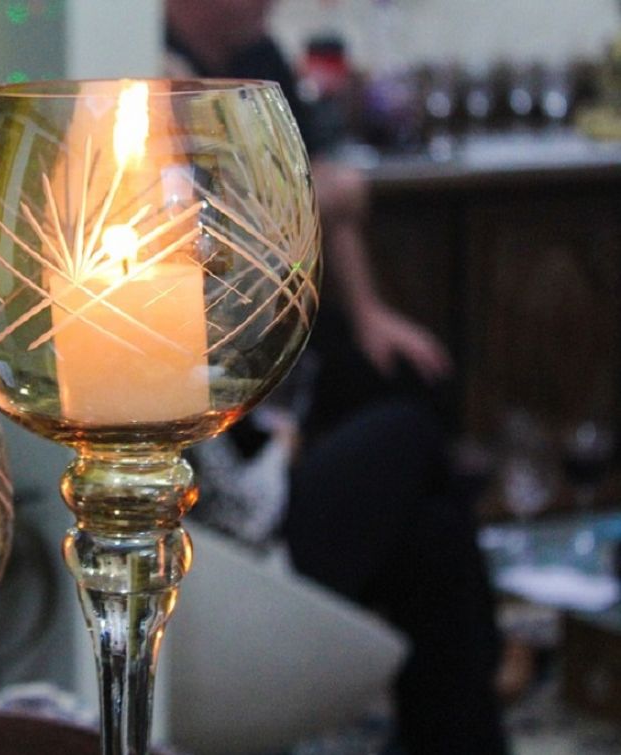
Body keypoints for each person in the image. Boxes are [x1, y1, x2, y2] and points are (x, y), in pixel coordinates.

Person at [167, 2, 510, 753]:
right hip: (239, 530)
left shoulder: (262, 59)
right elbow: (251, 206)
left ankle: (463, 708)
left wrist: (371, 313)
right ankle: (480, 679)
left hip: (270, 392)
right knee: (413, 439)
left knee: (431, 512)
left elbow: (328, 197)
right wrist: (314, 194)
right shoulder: (152, 70)